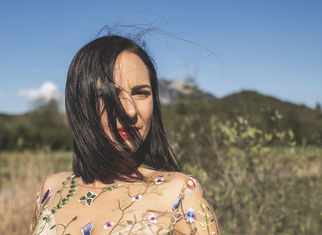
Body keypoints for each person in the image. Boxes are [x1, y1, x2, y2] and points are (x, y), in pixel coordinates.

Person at [30, 35, 219, 235]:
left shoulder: (180, 193)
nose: (129, 111)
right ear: (80, 106)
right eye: (108, 95)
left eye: (141, 93)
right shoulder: (53, 189)